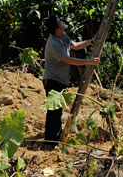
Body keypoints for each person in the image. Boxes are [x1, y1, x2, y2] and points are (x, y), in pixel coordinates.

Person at [42, 15, 99, 145]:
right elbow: (68, 60)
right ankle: (53, 141)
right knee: (54, 111)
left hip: (59, 80)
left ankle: (50, 139)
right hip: (52, 80)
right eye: (60, 22)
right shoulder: (53, 43)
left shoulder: (63, 36)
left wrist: (92, 41)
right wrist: (88, 62)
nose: (63, 22)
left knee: (55, 111)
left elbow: (75, 45)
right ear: (57, 30)